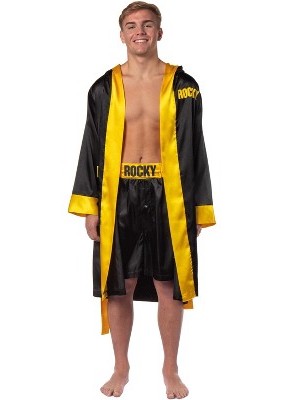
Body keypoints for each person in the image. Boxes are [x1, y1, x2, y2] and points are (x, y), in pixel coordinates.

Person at [68, 2, 216, 398]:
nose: (140, 31)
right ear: (121, 34)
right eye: (132, 25)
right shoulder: (104, 88)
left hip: (169, 194)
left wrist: (198, 208)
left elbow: (196, 149)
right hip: (118, 194)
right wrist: (90, 206)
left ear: (159, 32)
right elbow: (90, 146)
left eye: (148, 25)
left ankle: (171, 368)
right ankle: (121, 367)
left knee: (169, 282)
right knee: (121, 283)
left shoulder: (184, 85)